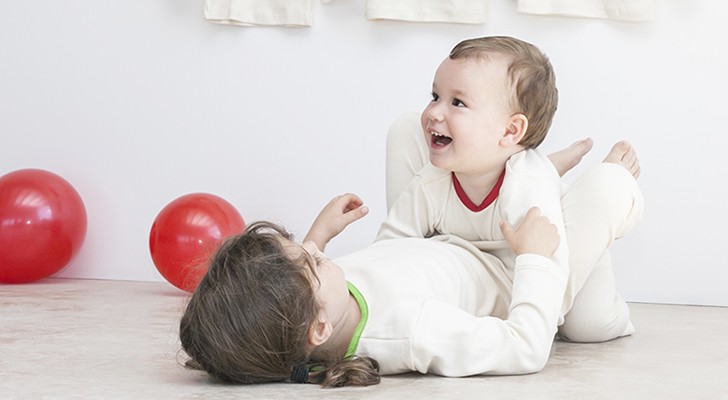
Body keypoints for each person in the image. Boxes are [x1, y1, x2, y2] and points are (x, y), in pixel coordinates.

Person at [179, 143, 643, 387]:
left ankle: (529, 178)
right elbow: (523, 348)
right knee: (608, 183)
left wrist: (319, 237)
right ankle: (540, 179)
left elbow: (296, 293)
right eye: (314, 260)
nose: (317, 251)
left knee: (409, 128)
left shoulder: (317, 315)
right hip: (514, 271)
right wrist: (537, 260)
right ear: (318, 327)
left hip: (459, 242)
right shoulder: (414, 331)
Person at [378, 36, 640, 340]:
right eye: (435, 96)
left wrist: (527, 320)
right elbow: (390, 251)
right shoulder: (431, 181)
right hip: (487, 271)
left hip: (544, 258)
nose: (435, 112)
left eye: (458, 103)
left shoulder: (526, 188)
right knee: (407, 125)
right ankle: (549, 166)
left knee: (586, 327)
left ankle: (610, 184)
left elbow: (548, 279)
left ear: (511, 130)